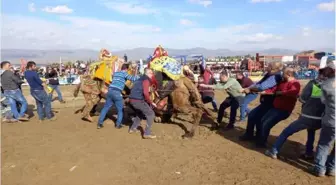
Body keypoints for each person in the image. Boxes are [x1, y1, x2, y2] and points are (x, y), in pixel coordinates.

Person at [265, 69, 325, 159]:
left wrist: (299, 97)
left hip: (308, 116)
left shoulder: (313, 83)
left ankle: (274, 150)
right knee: (311, 131)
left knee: (286, 132)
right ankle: (309, 153)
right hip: (322, 118)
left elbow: (302, 99)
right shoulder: (332, 85)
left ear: (320, 74)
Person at [255, 67, 300, 148]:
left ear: (289, 74)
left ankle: (261, 142)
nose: (282, 74)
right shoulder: (282, 82)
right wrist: (265, 92)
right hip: (275, 107)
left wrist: (282, 93)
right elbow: (274, 91)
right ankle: (260, 139)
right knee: (263, 121)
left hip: (283, 110)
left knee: (266, 123)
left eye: (284, 73)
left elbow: (293, 92)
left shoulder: (295, 83)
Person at [239, 61, 283, 141]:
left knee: (254, 116)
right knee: (257, 117)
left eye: (269, 65)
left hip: (271, 102)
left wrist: (250, 88)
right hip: (266, 101)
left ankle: (255, 137)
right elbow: (258, 83)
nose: (266, 67)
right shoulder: (269, 75)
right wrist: (249, 88)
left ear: (274, 68)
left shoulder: (276, 76)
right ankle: (256, 136)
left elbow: (262, 87)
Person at [311, 60, 335, 177]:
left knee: (324, 144)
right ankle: (332, 168)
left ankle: (320, 168)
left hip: (330, 120)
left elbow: (323, 101)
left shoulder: (326, 85)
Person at [97, 64, 139, 129]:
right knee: (120, 110)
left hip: (110, 91)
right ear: (126, 69)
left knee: (105, 108)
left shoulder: (116, 73)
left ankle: (99, 124)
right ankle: (118, 124)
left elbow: (112, 75)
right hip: (117, 92)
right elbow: (134, 79)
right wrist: (137, 72)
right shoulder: (125, 74)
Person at [128, 68, 157, 139]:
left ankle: (132, 129)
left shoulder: (139, 79)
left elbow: (136, 89)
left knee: (140, 113)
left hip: (131, 100)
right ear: (147, 73)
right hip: (137, 100)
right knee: (151, 114)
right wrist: (151, 102)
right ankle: (147, 133)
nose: (152, 75)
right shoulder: (146, 80)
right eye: (151, 73)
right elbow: (145, 93)